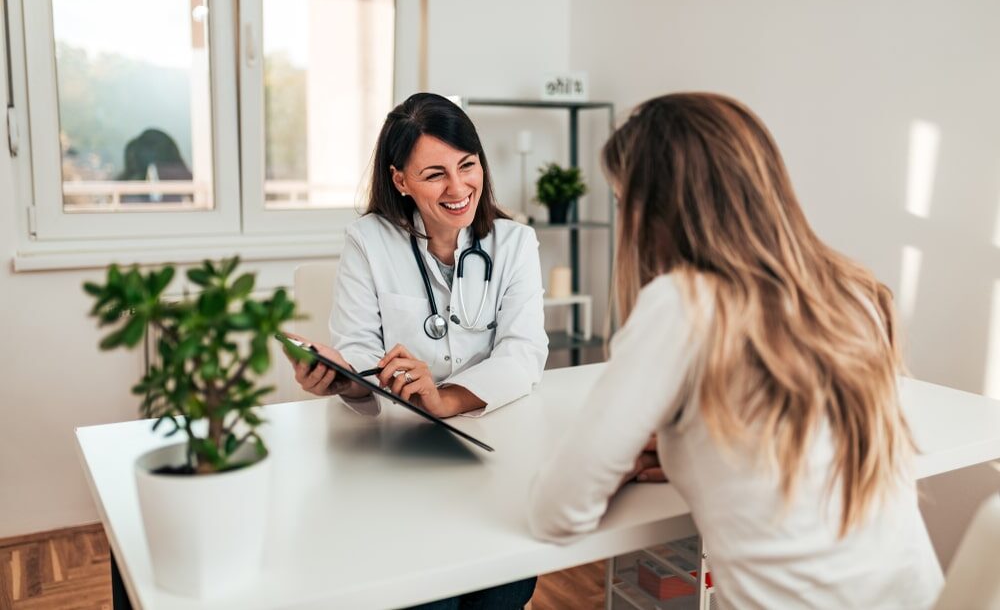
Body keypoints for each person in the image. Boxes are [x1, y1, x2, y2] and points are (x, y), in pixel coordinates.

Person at [527, 93, 943, 608]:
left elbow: (557, 512)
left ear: (656, 210)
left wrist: (625, 459)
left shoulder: (683, 304)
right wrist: (685, 446)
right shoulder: (852, 291)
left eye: (621, 202)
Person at [288, 92, 547, 609]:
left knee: (504, 592)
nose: (459, 188)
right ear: (400, 180)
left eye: (467, 165)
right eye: (435, 174)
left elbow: (524, 353)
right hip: (398, 467)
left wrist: (445, 397)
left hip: (493, 463)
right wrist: (345, 379)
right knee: (427, 600)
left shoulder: (515, 243)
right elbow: (361, 351)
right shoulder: (368, 241)